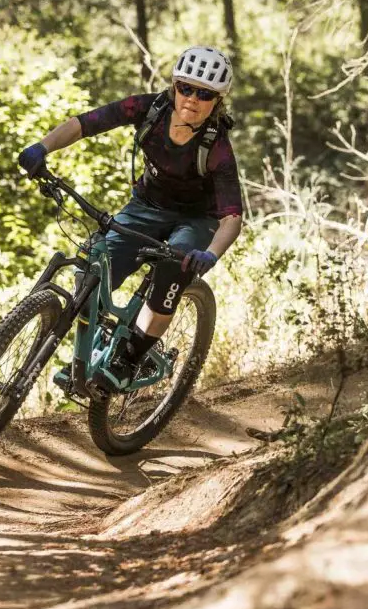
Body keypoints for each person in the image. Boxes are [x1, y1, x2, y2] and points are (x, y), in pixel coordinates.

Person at [17, 45, 243, 388]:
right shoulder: (148, 108)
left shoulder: (217, 148)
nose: (192, 99)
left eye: (204, 93)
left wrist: (210, 254)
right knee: (95, 266)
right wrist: (42, 147)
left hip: (195, 221)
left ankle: (130, 358)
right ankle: (91, 351)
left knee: (172, 271)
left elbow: (231, 217)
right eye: (185, 87)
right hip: (145, 207)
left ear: (217, 100)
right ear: (174, 85)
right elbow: (85, 124)